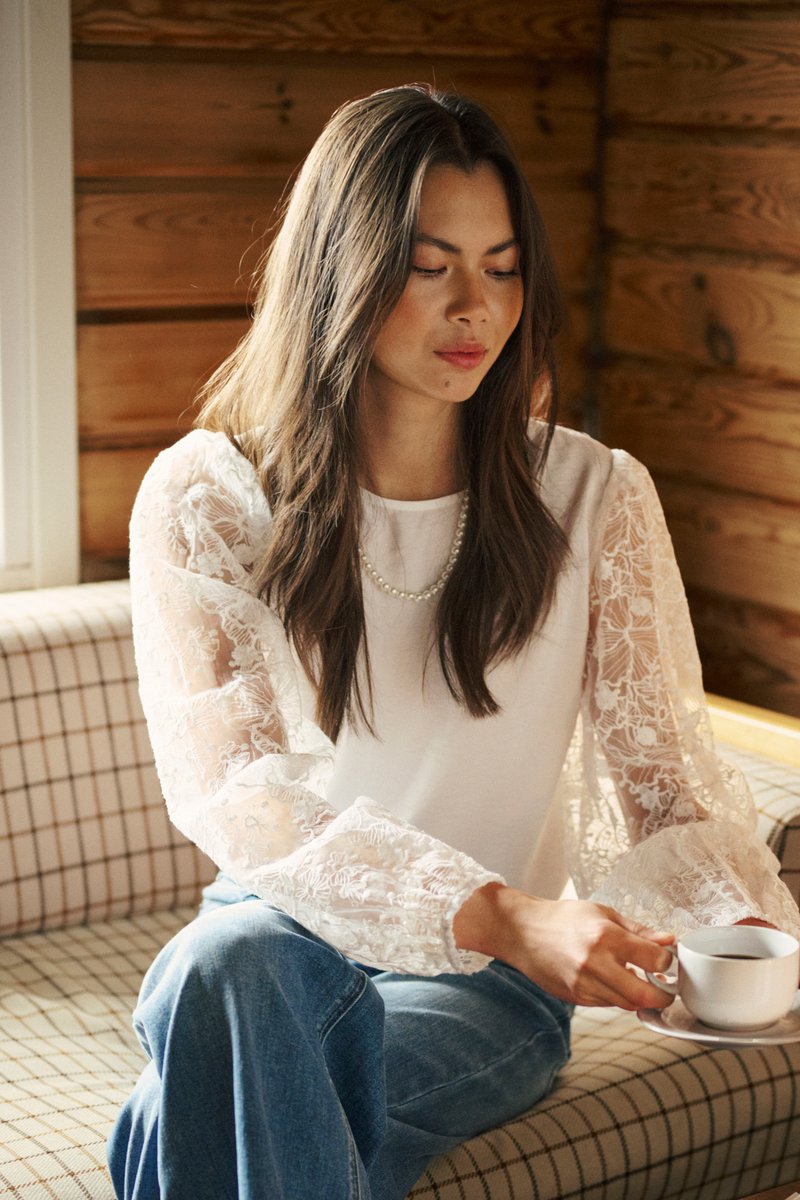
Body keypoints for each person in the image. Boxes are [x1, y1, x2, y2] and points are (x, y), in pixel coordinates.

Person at [107, 84, 800, 1200]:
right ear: (342, 269)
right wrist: (511, 911)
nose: (475, 306)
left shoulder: (591, 495)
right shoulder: (208, 497)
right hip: (279, 951)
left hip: (482, 990)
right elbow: (243, 792)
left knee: (192, 1087)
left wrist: (745, 938)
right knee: (234, 963)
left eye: (503, 264)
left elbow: (663, 783)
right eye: (429, 267)